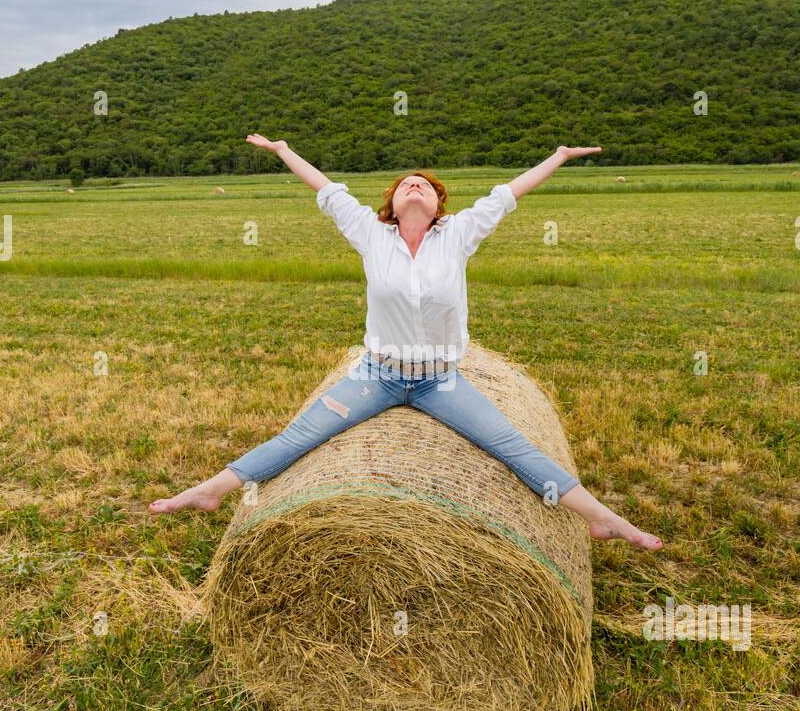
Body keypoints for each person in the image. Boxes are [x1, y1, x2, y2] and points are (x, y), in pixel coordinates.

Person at [150, 135, 662, 550]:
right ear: (391, 206)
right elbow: (327, 190)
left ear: (439, 204)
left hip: (440, 381)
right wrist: (284, 150)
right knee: (298, 439)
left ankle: (602, 519)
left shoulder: (459, 234)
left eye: (424, 185)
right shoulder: (371, 235)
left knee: (510, 446)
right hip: (376, 375)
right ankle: (212, 491)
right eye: (405, 185)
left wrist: (558, 156)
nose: (414, 186)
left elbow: (509, 193)